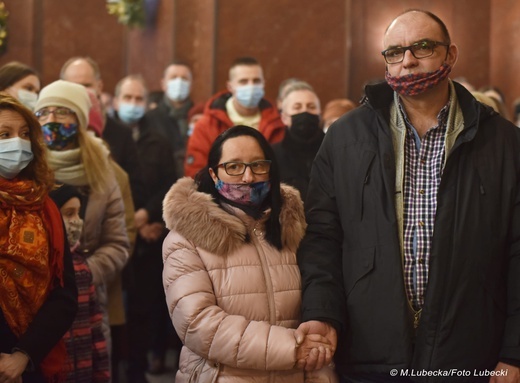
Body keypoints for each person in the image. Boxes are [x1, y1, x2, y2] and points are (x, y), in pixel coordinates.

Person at [296, 9, 520, 383]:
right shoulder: (345, 138)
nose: (408, 61)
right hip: (368, 351)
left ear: (450, 55)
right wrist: (322, 313)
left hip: (470, 351)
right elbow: (322, 237)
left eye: (423, 47)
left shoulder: (503, 142)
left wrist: (515, 350)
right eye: (395, 52)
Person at [162, 125, 335, 382]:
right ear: (213, 172)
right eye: (233, 167)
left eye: (258, 166)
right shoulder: (187, 237)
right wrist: (291, 348)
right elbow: (197, 323)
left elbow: (320, 290)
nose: (247, 178)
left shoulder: (293, 227)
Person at [35, 80, 130, 363]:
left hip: (86, 302)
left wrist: (83, 273)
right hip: (35, 302)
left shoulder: (102, 169)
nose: (51, 120)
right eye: (43, 113)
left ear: (80, 119)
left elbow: (118, 243)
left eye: (62, 112)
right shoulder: (29, 166)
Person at [0, 93, 78, 382]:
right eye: (4, 135)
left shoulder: (44, 206)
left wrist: (22, 357)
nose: (17, 143)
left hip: (31, 360)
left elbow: (65, 296)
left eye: (23, 134)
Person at [113, 74, 178, 381]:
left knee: (144, 309)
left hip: (150, 233)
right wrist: (131, 220)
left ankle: (137, 370)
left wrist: (148, 216)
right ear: (115, 102)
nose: (133, 105)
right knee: (114, 311)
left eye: (139, 99)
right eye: (127, 98)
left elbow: (169, 183)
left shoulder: (159, 141)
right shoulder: (105, 136)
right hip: (116, 231)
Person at [60, 56, 147, 210]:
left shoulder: (122, 134)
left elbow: (136, 188)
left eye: (87, 85)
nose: (81, 91)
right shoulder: (54, 133)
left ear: (99, 86)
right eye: (74, 85)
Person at [184, 56, 285, 178]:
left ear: (263, 84)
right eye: (243, 81)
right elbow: (197, 173)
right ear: (230, 86)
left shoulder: (278, 124)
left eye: (256, 81)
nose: (251, 87)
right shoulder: (207, 125)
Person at [49, 184, 110, 383]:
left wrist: (102, 374)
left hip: (85, 372)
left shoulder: (81, 267)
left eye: (78, 213)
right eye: (68, 213)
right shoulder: (44, 269)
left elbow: (95, 326)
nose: (76, 221)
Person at [272, 81, 324, 201]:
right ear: (284, 118)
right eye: (297, 107)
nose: (304, 112)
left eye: (311, 107)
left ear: (320, 116)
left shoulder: (334, 151)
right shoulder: (272, 155)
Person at [142, 61, 193, 177]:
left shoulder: (199, 116)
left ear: (191, 85)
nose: (179, 82)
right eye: (173, 77)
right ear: (163, 84)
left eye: (184, 78)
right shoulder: (150, 118)